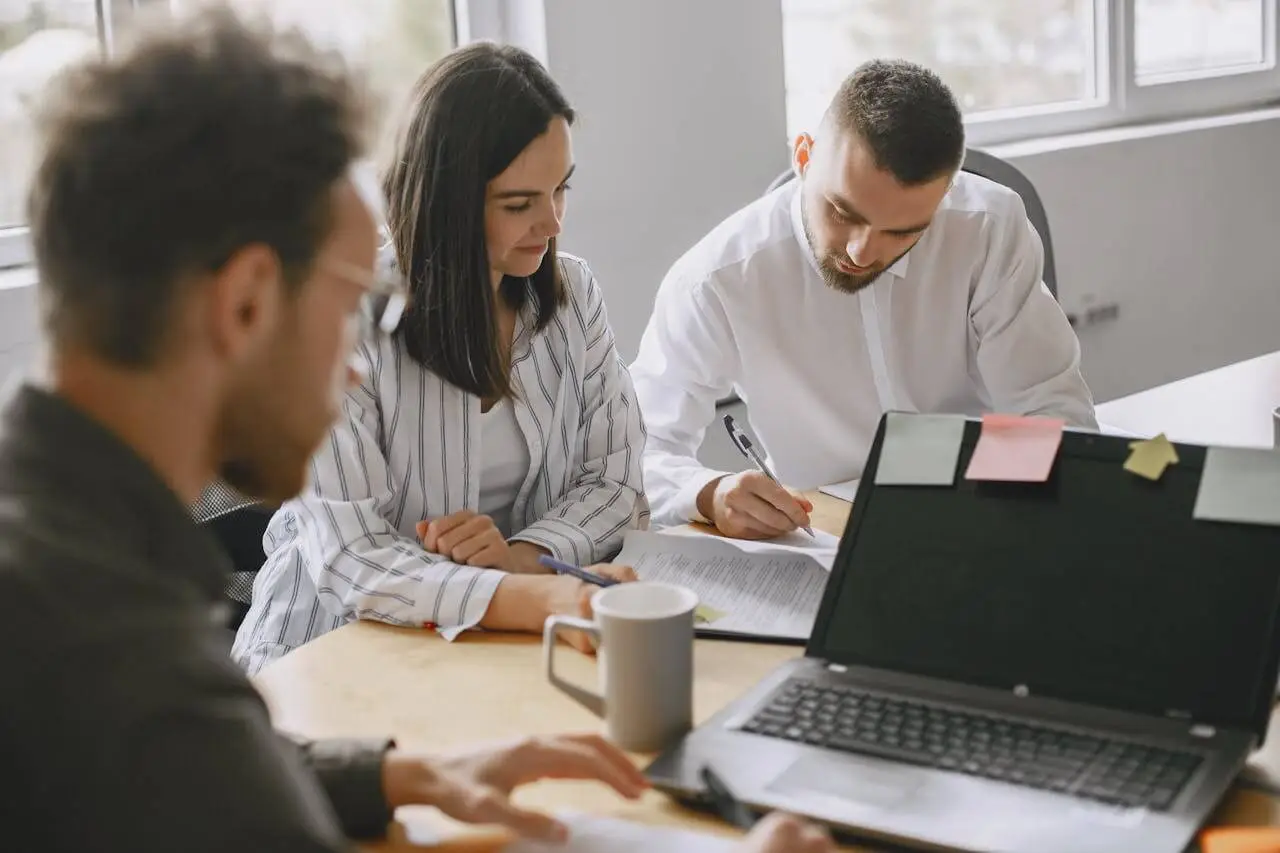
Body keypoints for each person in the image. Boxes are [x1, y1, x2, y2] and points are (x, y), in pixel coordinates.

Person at [0, 8, 832, 853]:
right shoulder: (101, 639)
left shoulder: (77, 559)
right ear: (247, 302)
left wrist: (397, 775)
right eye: (350, 300)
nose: (359, 362)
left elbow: (184, 783)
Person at [232, 42, 648, 674]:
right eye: (519, 204)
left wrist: (523, 558)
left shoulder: (573, 297)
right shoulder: (346, 317)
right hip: (329, 653)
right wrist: (526, 595)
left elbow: (616, 483)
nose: (553, 222)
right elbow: (355, 557)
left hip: (497, 647)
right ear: (446, 198)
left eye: (561, 189)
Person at [631, 59, 1097, 539]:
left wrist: (982, 488)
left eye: (902, 231)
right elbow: (635, 453)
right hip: (818, 532)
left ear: (944, 194)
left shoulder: (987, 229)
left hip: (984, 508)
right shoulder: (718, 278)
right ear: (805, 157)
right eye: (842, 211)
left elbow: (1054, 416)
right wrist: (710, 492)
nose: (862, 250)